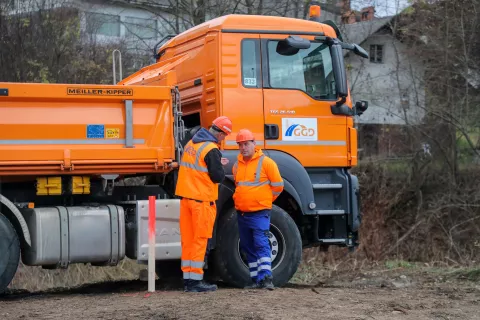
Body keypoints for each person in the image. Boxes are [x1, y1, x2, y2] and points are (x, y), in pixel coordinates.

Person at [175, 116, 232, 292]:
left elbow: (197, 167)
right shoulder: (211, 149)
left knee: (188, 241)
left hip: (186, 200)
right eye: (224, 136)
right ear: (221, 133)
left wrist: (215, 163)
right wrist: (220, 166)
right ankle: (196, 282)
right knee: (200, 241)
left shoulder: (192, 143)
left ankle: (188, 280)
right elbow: (217, 177)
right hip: (202, 202)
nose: (223, 139)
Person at [232, 129, 284, 290]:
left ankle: (267, 278)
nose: (243, 147)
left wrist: (265, 200)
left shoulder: (267, 163)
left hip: (260, 212)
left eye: (246, 144)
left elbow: (278, 186)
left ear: (254, 144)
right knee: (247, 246)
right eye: (240, 145)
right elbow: (239, 186)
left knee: (261, 243)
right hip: (242, 213)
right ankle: (256, 279)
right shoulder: (236, 165)